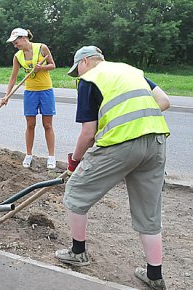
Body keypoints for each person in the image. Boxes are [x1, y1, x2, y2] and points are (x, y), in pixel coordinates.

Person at [55, 46, 170, 290]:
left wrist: (74, 162)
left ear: (85, 61)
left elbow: (88, 132)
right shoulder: (130, 70)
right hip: (156, 142)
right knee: (148, 212)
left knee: (75, 192)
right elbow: (164, 101)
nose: (78, 75)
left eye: (77, 70)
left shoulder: (90, 78)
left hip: (122, 143)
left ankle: (78, 253)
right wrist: (134, 118)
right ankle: (154, 275)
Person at [2, 28, 57, 169]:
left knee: (48, 125)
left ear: (24, 38)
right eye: (13, 43)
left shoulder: (41, 48)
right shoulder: (17, 56)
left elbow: (53, 65)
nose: (15, 45)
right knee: (30, 125)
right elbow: (13, 77)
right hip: (30, 92)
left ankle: (51, 157)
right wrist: (7, 95)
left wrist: (41, 68)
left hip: (46, 91)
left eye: (16, 42)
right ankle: (28, 155)